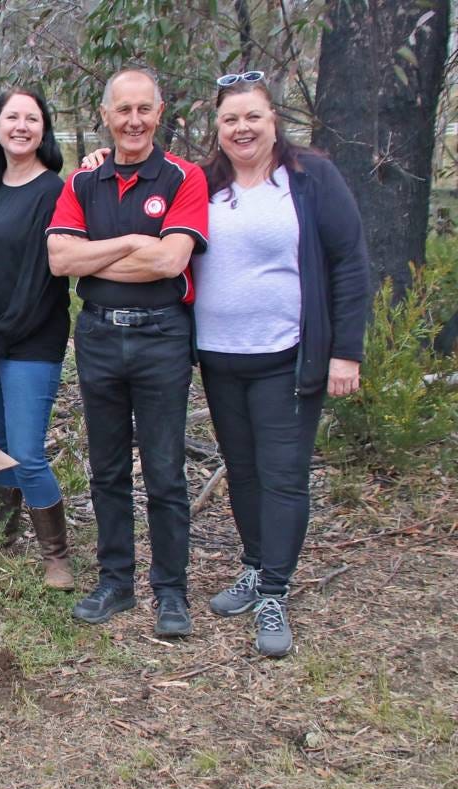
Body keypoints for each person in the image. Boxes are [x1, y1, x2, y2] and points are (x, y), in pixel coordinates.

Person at [194, 72, 367, 656]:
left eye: (253, 118)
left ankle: (274, 590)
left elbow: (348, 263)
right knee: (242, 471)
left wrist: (345, 351)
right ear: (216, 128)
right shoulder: (204, 183)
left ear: (274, 122)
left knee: (283, 473)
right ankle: (254, 566)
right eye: (230, 120)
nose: (242, 128)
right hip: (220, 357)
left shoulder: (311, 177)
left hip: (286, 356)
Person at [47, 69, 208, 638]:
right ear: (106, 114)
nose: (134, 120)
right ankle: (115, 581)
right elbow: (61, 261)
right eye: (124, 110)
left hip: (161, 335)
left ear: (159, 111)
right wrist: (136, 243)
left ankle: (171, 592)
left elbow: (171, 262)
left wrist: (97, 253)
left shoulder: (184, 177)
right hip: (97, 334)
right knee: (108, 468)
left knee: (164, 470)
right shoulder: (85, 180)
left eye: (144, 109)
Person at [0, 87, 73, 589]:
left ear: (44, 129)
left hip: (29, 343)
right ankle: (2, 540)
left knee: (26, 451)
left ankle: (56, 557)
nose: (21, 125)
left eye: (32, 117)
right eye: (12, 117)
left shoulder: (54, 191)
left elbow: (40, 281)